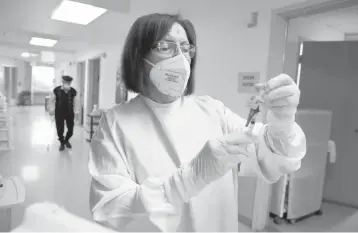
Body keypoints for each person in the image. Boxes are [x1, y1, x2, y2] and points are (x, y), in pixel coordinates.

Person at [88, 13, 306, 232]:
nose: (180, 58)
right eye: (165, 46)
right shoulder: (115, 123)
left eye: (186, 48)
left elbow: (271, 158)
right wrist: (188, 179)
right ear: (138, 56)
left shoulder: (213, 110)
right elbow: (111, 210)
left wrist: (282, 122)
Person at [49, 75, 79, 151]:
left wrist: (76, 112)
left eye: (69, 82)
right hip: (59, 112)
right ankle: (62, 143)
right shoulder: (56, 90)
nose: (67, 83)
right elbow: (51, 101)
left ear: (70, 83)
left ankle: (66, 140)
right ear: (62, 82)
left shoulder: (73, 91)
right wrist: (51, 110)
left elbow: (76, 103)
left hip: (69, 112)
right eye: (66, 82)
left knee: (71, 130)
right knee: (60, 129)